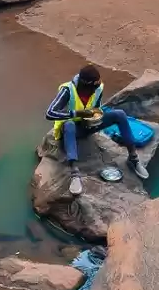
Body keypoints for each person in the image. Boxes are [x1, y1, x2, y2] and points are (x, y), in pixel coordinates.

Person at [46, 65, 149, 196]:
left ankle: (133, 159)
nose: (94, 91)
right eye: (92, 89)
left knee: (120, 114)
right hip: (71, 131)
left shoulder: (98, 89)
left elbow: (96, 108)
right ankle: (74, 173)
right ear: (85, 86)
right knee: (69, 125)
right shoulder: (68, 90)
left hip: (88, 125)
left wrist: (96, 118)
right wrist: (77, 113)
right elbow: (49, 113)